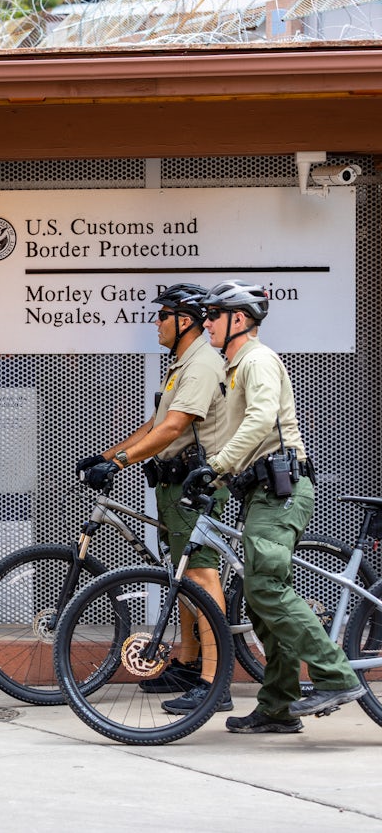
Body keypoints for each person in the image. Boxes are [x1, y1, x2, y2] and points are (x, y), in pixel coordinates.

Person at [198, 279, 364, 734]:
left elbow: (260, 419)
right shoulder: (235, 367)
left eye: (214, 314)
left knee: (266, 588)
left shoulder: (257, 360)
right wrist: (212, 475)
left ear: (238, 319)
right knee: (259, 597)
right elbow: (237, 434)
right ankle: (278, 706)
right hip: (261, 491)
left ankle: (336, 675)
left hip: (280, 492)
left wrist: (217, 464)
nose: (206, 322)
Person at [76, 283, 231, 713]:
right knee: (179, 577)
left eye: (161, 315)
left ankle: (215, 682)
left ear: (185, 320)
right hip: (170, 485)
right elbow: (154, 423)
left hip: (192, 488)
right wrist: (104, 457)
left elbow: (174, 428)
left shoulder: (200, 365)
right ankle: (186, 661)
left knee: (200, 577)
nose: (155, 324)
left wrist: (120, 463)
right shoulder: (182, 365)